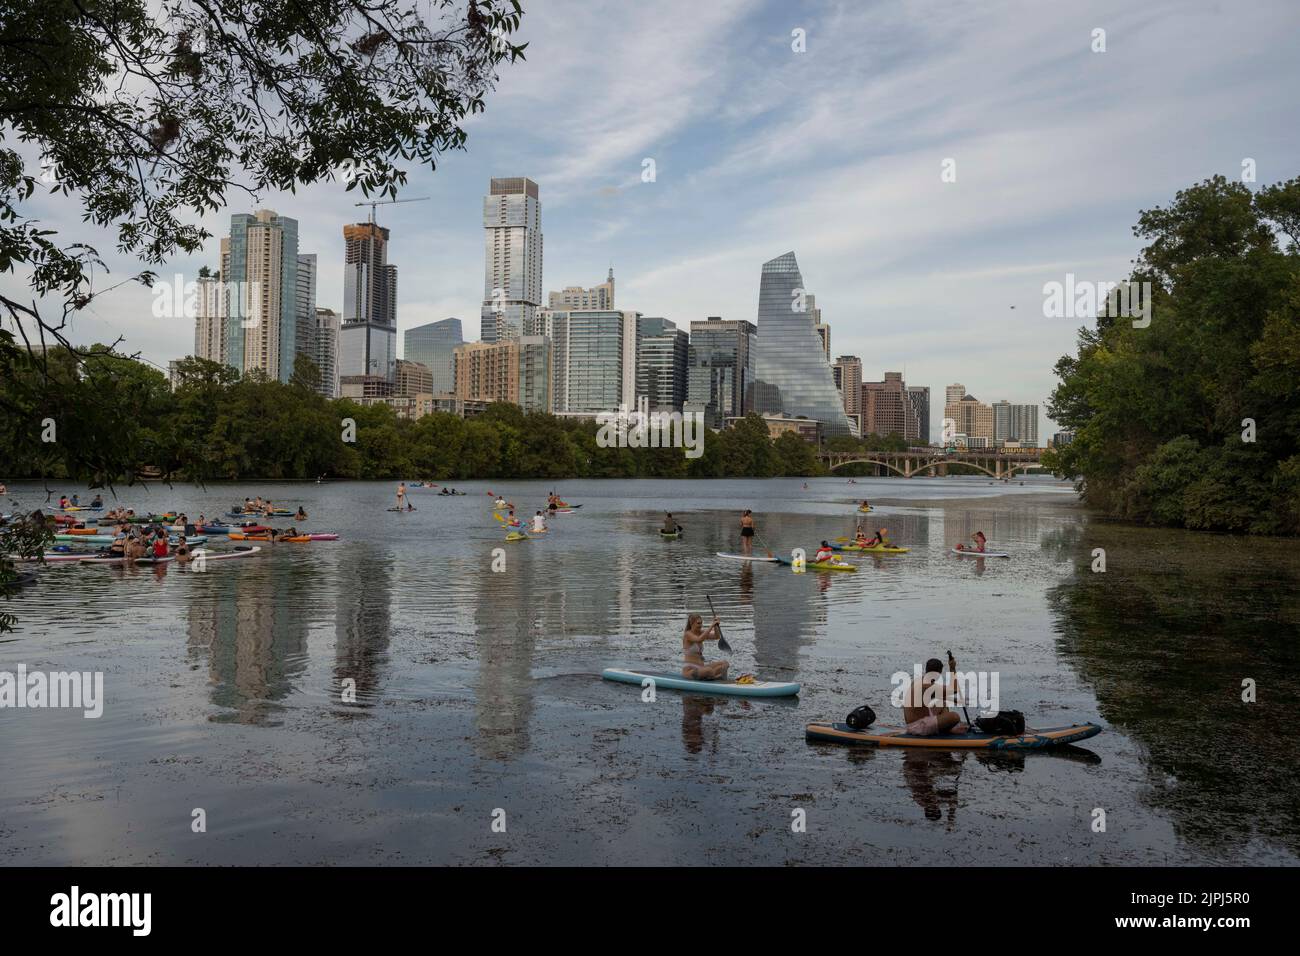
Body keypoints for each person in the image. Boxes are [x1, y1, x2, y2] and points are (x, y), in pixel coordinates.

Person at [900, 655, 967, 737]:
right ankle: (948, 729)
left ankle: (947, 728)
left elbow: (933, 695)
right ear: (938, 674)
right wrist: (952, 668)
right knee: (955, 717)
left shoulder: (919, 681)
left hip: (917, 721)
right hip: (917, 727)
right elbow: (954, 689)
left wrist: (954, 700)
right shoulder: (926, 686)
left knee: (942, 704)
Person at [682, 612, 728, 681]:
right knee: (709, 671)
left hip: (701, 668)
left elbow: (717, 636)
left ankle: (717, 677)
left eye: (701, 623)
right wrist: (711, 626)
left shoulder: (701, 632)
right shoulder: (688, 634)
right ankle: (715, 676)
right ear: (691, 623)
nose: (700, 625)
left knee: (725, 664)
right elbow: (699, 639)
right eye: (698, 623)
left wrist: (716, 625)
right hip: (690, 670)